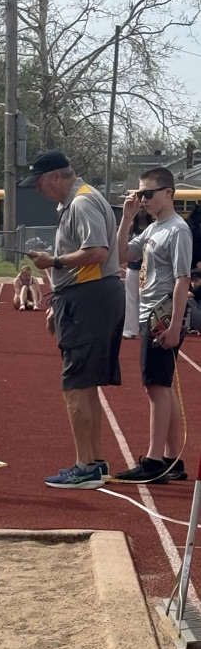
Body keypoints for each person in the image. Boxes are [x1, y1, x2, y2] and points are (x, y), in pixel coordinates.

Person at [23, 149, 124, 490]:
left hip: (89, 297)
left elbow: (97, 252)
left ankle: (85, 467)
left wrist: (54, 262)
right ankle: (94, 462)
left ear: (56, 176)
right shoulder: (79, 200)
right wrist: (59, 297)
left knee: (76, 383)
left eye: (39, 182)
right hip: (90, 294)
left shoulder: (81, 202)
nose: (38, 189)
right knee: (85, 382)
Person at [114, 167, 193, 483]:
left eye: (148, 193)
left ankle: (154, 460)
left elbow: (183, 279)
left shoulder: (177, 230)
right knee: (162, 385)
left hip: (163, 316)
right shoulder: (152, 229)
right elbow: (121, 254)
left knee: (155, 387)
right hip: (151, 315)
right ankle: (172, 459)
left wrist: (174, 326)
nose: (142, 199)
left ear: (168, 193)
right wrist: (126, 218)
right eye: (140, 193)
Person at [122, 207, 153, 340]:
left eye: (143, 208)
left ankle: (147, 328)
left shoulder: (151, 228)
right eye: (139, 208)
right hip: (132, 268)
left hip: (146, 269)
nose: (141, 210)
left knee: (145, 298)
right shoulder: (131, 227)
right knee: (130, 298)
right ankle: (130, 329)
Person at [187, 267, 201, 335]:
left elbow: (184, 296)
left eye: (196, 280)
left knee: (186, 303)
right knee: (191, 301)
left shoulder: (199, 288)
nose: (194, 283)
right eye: (192, 281)